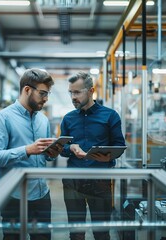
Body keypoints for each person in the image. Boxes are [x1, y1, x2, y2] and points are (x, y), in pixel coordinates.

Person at [0, 68, 63, 240]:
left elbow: (44, 156)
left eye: (48, 94)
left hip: (42, 194)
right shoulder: (3, 118)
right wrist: (27, 150)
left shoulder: (43, 120)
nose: (46, 99)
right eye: (43, 93)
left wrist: (52, 153)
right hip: (15, 197)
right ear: (27, 90)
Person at [60, 71, 126, 240]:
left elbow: (119, 145)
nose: (73, 97)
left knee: (102, 232)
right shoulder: (68, 119)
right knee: (76, 233)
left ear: (91, 91)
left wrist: (109, 156)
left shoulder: (110, 116)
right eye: (71, 92)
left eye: (77, 92)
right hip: (73, 182)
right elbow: (62, 147)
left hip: (100, 180)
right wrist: (70, 148)